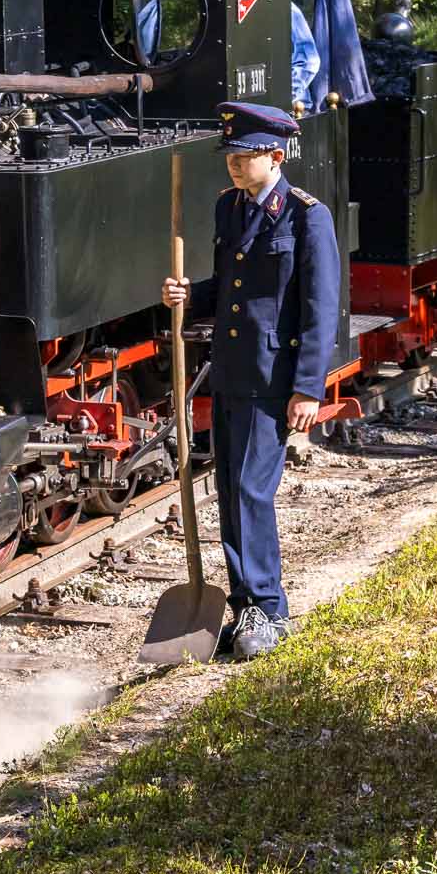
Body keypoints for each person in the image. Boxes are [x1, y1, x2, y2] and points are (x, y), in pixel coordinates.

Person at [160, 100, 342, 661]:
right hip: (233, 372)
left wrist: (308, 388)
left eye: (245, 157)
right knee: (230, 492)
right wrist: (191, 297)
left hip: (273, 377)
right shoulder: (231, 209)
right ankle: (244, 606)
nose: (235, 167)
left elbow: (319, 306)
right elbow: (233, 286)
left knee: (251, 491)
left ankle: (269, 607)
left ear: (276, 155)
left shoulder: (308, 216)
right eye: (230, 158)